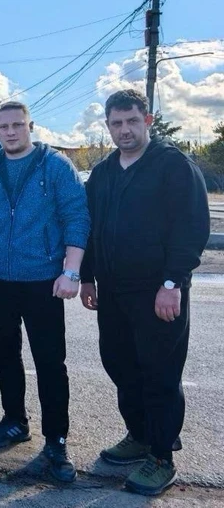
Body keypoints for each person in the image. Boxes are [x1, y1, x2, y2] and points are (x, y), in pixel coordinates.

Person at [80, 89, 209, 496]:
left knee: (159, 372)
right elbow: (90, 228)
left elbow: (191, 228)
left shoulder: (172, 166)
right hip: (113, 291)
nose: (125, 130)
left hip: (158, 290)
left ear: (147, 120)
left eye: (132, 121)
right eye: (116, 123)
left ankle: (161, 457)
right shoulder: (103, 173)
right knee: (120, 363)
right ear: (108, 126)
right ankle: (138, 435)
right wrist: (87, 277)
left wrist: (172, 283)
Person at [0, 101, 89, 483]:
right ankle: (15, 421)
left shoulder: (56, 167)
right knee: (4, 354)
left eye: (17, 125)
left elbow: (76, 218)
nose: (10, 132)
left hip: (43, 282)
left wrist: (71, 272)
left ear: (30, 126)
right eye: (3, 126)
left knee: (50, 362)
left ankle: (56, 441)